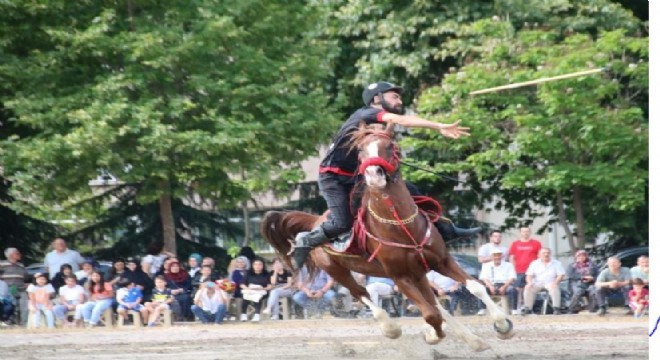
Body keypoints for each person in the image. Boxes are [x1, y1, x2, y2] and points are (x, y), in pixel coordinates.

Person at [292, 81, 476, 269]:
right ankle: (306, 241)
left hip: (359, 175)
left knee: (412, 192)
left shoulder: (377, 123)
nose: (400, 101)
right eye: (394, 96)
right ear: (377, 99)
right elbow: (402, 120)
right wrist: (439, 126)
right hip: (333, 178)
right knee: (342, 222)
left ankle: (447, 229)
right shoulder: (366, 114)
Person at [520, 248, 565, 315]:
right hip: (537, 283)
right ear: (539, 255)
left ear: (550, 254)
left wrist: (555, 282)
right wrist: (529, 283)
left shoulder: (557, 263)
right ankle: (528, 308)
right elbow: (529, 275)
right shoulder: (534, 263)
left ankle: (556, 308)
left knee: (554, 287)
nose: (546, 254)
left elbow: (560, 275)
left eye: (548, 253)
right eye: (543, 253)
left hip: (550, 282)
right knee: (528, 287)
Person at [508, 227, 542, 312]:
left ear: (530, 232)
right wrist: (513, 270)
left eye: (527, 231)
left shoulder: (536, 243)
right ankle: (518, 307)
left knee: (530, 288)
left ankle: (527, 307)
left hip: (532, 272)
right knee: (518, 289)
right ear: (520, 233)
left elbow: (540, 257)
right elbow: (512, 258)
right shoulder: (515, 244)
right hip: (519, 270)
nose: (525, 233)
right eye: (523, 231)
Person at [477, 248, 517, 315]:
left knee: (513, 290)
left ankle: (514, 310)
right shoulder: (486, 265)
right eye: (495, 255)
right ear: (491, 257)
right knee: (481, 289)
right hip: (491, 285)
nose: (497, 257)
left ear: (501, 256)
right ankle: (482, 309)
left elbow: (512, 278)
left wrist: (504, 287)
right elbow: (484, 278)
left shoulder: (508, 265)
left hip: (505, 284)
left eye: (498, 255)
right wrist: (490, 286)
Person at [0, 247, 29, 325]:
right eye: (17, 253)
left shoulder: (21, 265)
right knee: (14, 306)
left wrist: (27, 283)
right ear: (11, 255)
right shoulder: (2, 264)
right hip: (10, 288)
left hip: (21, 289)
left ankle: (24, 324)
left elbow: (26, 277)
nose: (20, 255)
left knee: (24, 306)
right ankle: (12, 322)